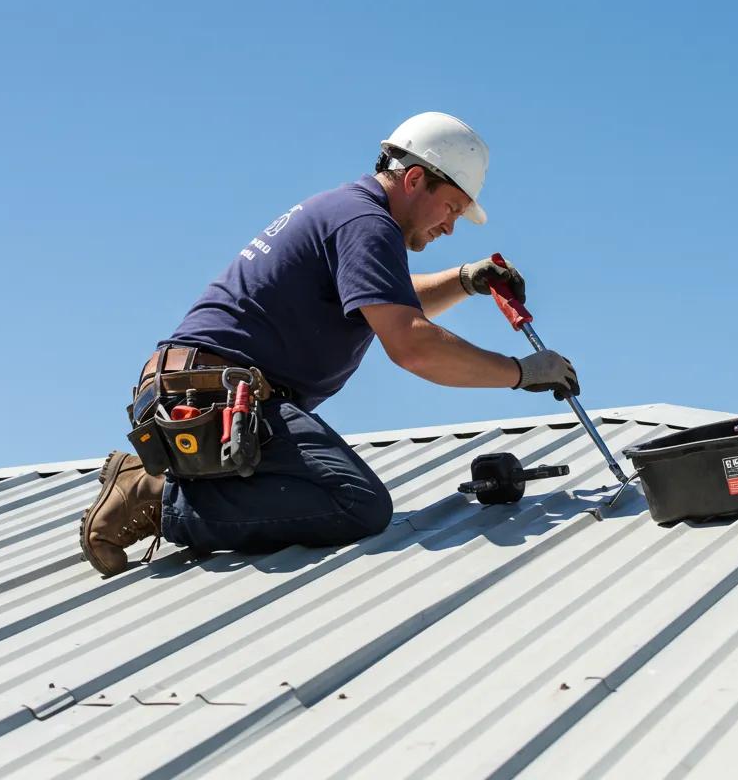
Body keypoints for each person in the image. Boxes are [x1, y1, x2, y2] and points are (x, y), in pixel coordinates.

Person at [80, 112, 580, 576]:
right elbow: (411, 345)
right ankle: (156, 494)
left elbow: (388, 304)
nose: (450, 226)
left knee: (326, 492)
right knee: (354, 503)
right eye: (450, 206)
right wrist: (520, 372)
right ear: (413, 181)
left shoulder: (350, 213)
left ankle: (180, 485)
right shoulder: (366, 223)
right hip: (217, 397)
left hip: (202, 389)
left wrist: (465, 279)